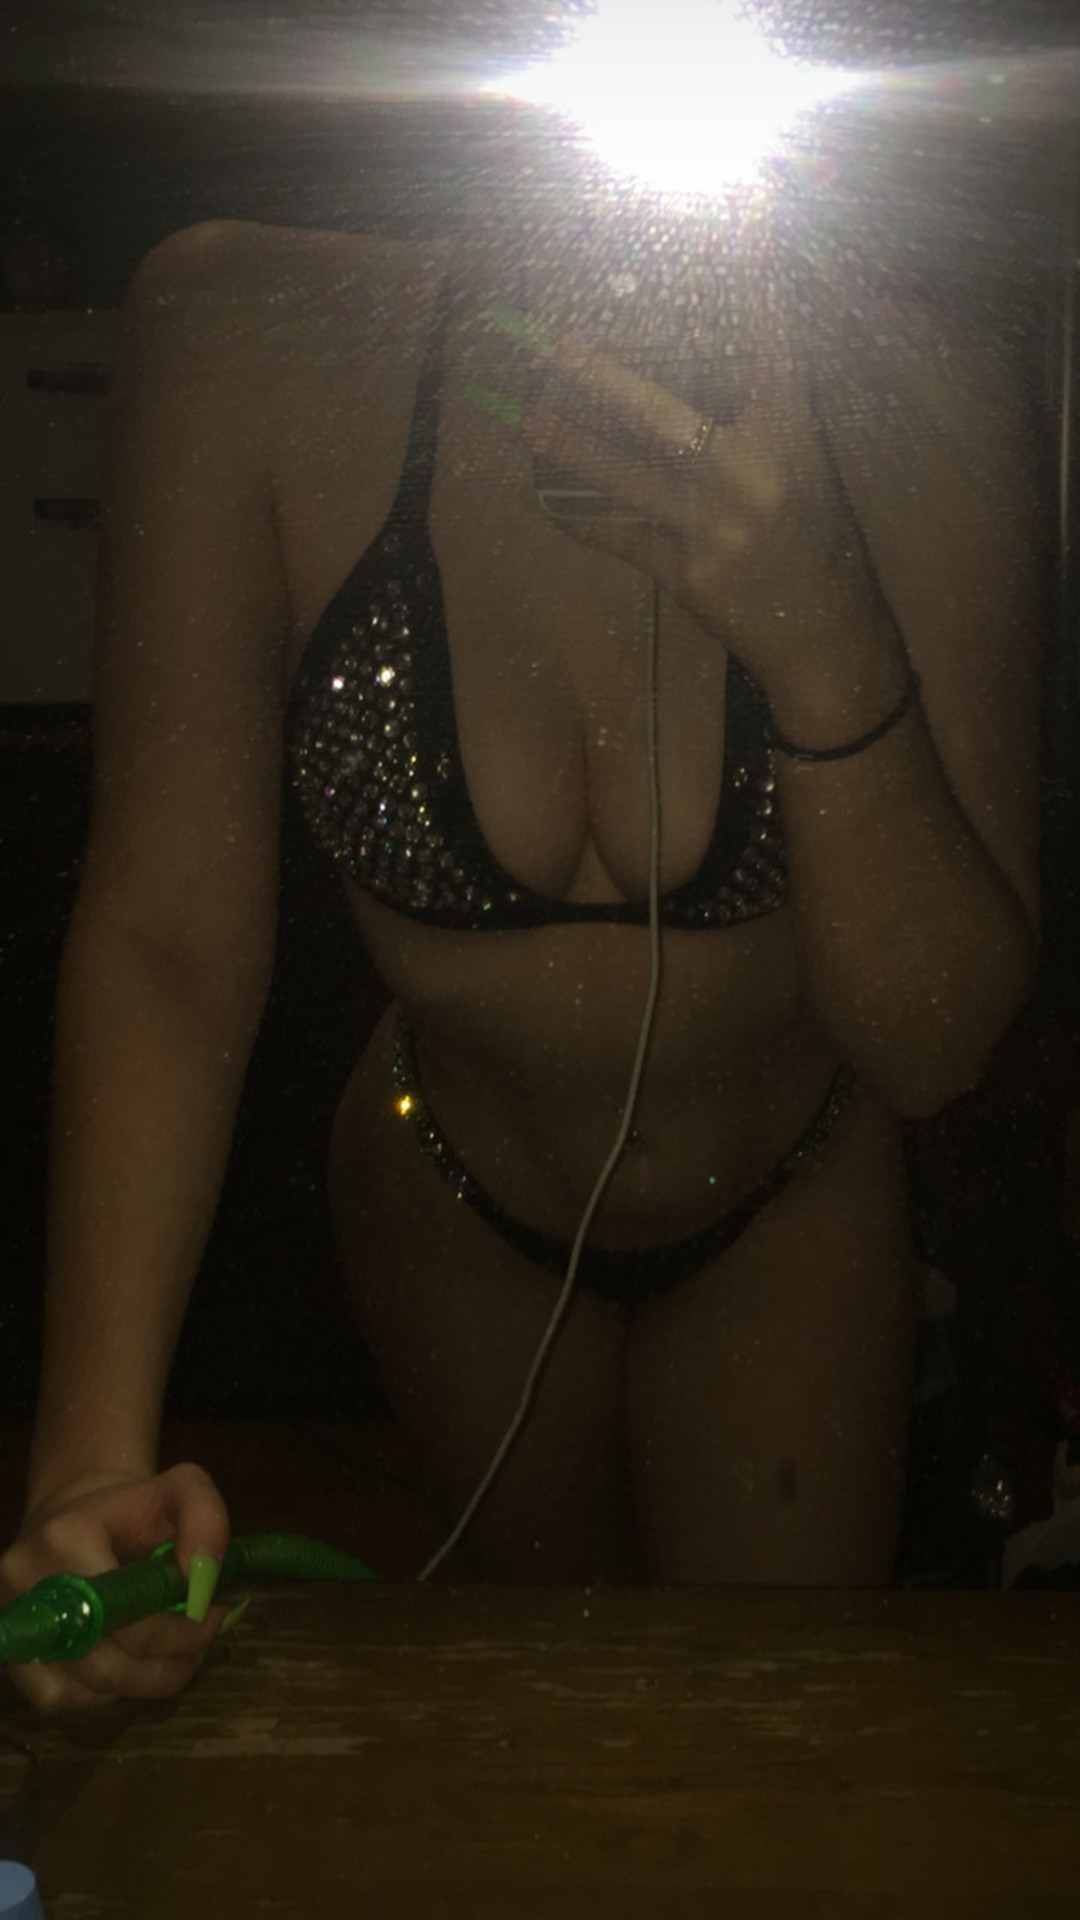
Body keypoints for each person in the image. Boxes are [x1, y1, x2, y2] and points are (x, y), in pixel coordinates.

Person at [0, 113, 1044, 1714]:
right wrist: (86, 1455)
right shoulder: (241, 322)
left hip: (790, 1206)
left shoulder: (929, 369)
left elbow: (937, 1045)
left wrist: (824, 638)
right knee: (518, 1708)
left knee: (751, 1745)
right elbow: (168, 934)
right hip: (443, 1181)